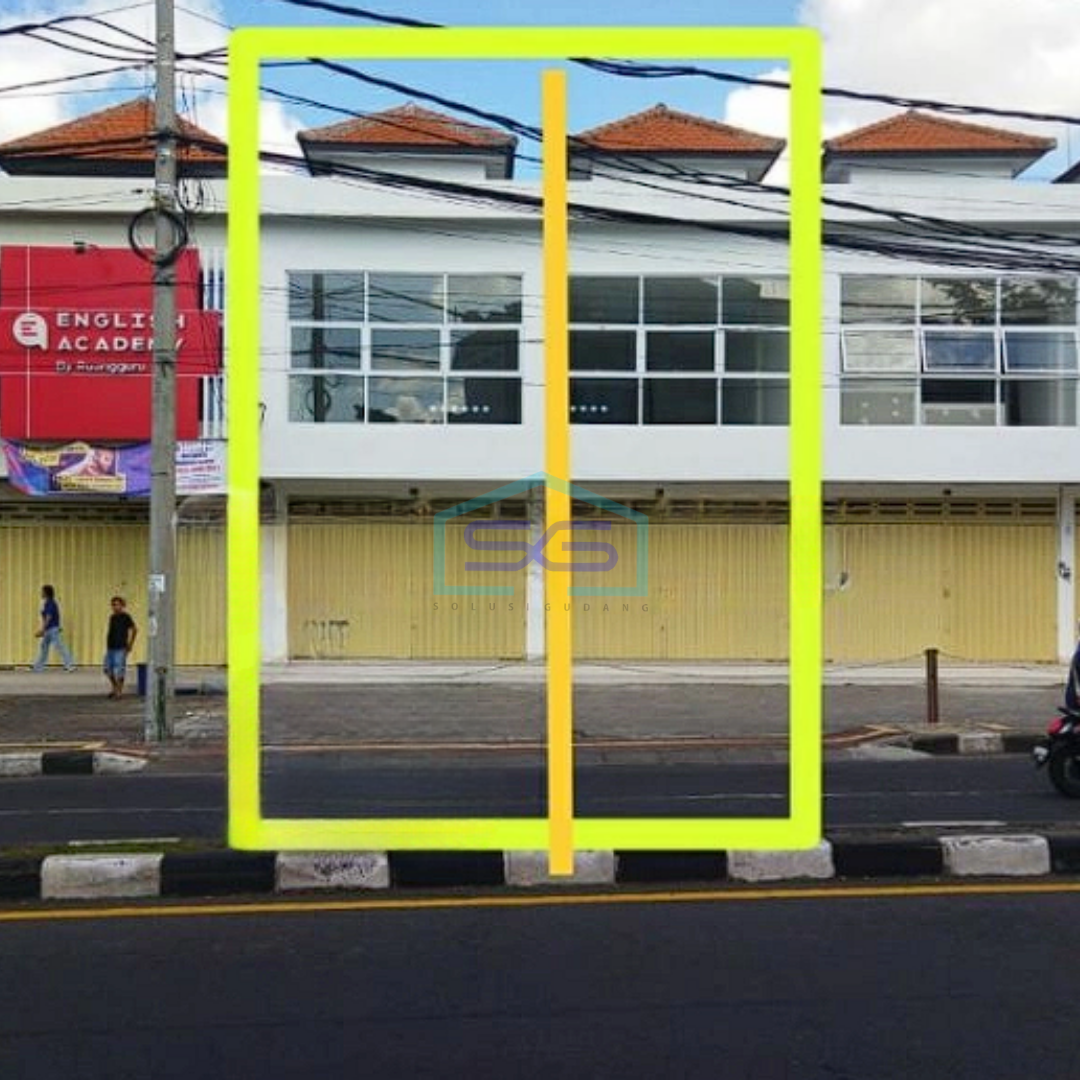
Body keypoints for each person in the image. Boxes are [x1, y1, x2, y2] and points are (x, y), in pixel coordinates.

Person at [31, 584, 75, 672]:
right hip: (48, 629)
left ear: (46, 593)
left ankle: (69, 665)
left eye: (42, 591)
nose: (41, 593)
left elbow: (49, 617)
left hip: (52, 629)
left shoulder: (51, 603)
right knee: (43, 647)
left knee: (60, 647)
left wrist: (42, 630)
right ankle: (38, 666)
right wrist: (44, 629)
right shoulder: (47, 603)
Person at [103, 596, 137, 700]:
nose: (115, 607)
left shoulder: (126, 617)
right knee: (107, 669)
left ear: (122, 606)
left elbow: (134, 629)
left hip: (121, 647)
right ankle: (114, 687)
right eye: (113, 605)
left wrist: (130, 644)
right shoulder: (112, 617)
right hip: (110, 647)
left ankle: (119, 691)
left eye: (117, 605)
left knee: (119, 670)